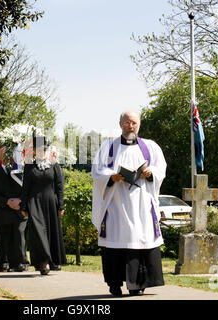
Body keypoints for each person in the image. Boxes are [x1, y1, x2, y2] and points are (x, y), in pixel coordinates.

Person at [91, 110, 167, 296]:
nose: (130, 126)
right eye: (126, 123)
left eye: (133, 123)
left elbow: (161, 169)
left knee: (140, 243)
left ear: (139, 124)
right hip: (116, 204)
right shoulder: (108, 147)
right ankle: (114, 284)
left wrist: (151, 174)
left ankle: (137, 285)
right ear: (120, 124)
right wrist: (112, 177)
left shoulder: (150, 147)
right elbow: (97, 172)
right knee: (115, 245)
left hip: (141, 205)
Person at [20, 136, 67, 275]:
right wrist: (23, 207)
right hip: (34, 203)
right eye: (39, 150)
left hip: (50, 203)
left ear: (47, 150)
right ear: (34, 151)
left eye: (44, 149)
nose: (42, 152)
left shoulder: (55, 166)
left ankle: (52, 261)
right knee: (39, 233)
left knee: (51, 231)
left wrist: (61, 205)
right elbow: (25, 188)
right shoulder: (29, 167)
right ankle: (44, 262)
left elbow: (59, 187)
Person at [0, 147, 28, 272]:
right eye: (3, 155)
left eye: (9, 155)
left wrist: (19, 201)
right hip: (4, 211)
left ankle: (22, 262)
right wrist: (7, 202)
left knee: (19, 236)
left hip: (19, 211)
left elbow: (27, 190)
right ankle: (8, 263)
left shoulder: (20, 171)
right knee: (5, 239)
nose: (6, 158)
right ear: (0, 156)